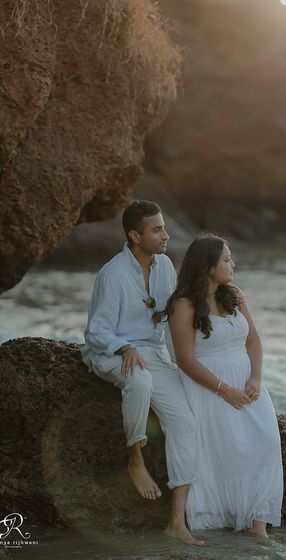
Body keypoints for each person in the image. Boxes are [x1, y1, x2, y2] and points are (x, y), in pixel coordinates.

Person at [81, 200, 203, 545]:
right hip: (110, 350)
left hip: (151, 352)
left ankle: (176, 522)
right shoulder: (112, 274)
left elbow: (166, 321)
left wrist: (183, 363)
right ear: (135, 235)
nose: (166, 235)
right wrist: (124, 347)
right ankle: (135, 459)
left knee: (185, 421)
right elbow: (96, 332)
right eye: (157, 229)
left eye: (164, 227)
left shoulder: (164, 266)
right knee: (139, 380)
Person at [165, 234, 283, 538]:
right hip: (208, 388)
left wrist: (255, 377)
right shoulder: (183, 304)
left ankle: (258, 524)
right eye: (227, 259)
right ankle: (226, 518)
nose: (233, 264)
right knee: (229, 449)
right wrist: (222, 390)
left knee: (266, 441)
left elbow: (253, 340)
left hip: (246, 386)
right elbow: (185, 359)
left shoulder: (235, 295)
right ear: (209, 266)